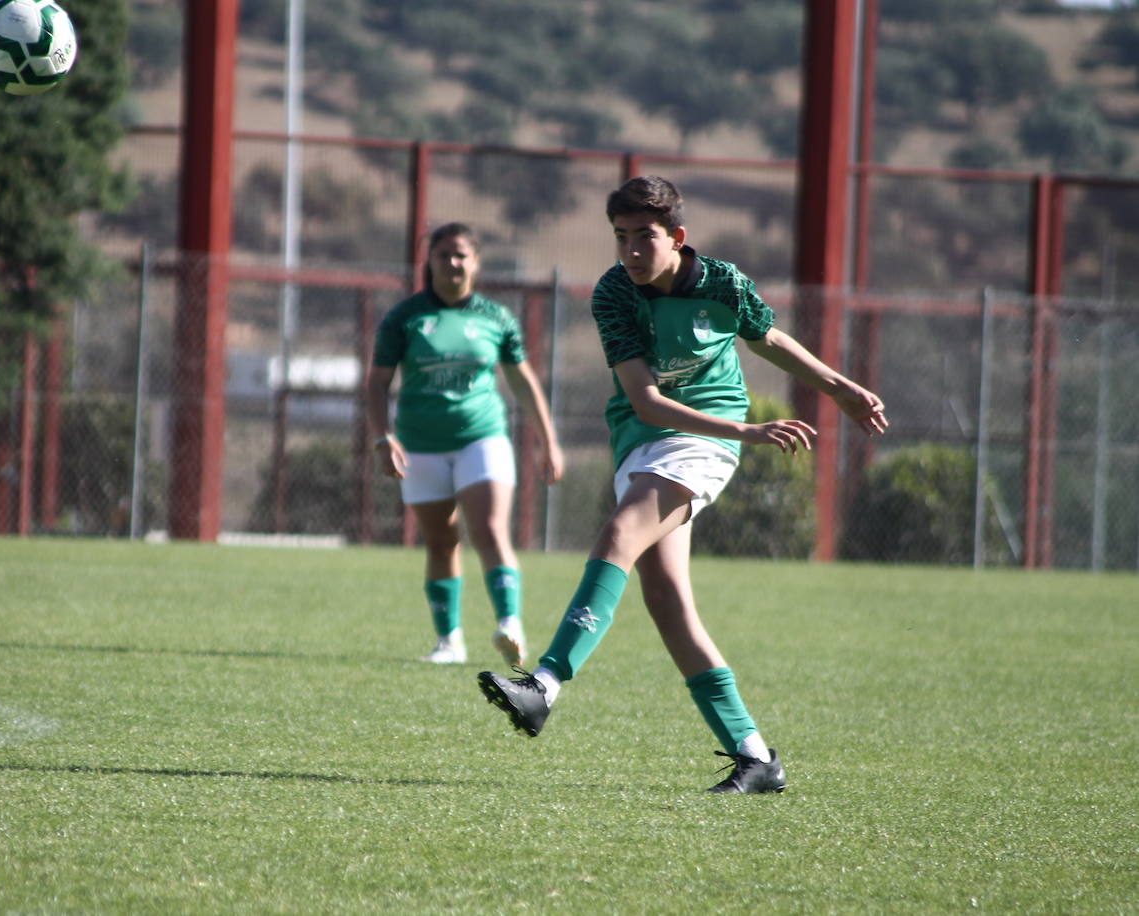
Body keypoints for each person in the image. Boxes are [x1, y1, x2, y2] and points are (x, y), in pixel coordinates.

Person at [477, 176, 888, 794]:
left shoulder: (723, 282)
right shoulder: (614, 293)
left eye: (645, 236)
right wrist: (749, 433)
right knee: (668, 602)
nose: (632, 251)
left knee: (621, 531)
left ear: (678, 238)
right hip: (644, 435)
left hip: (708, 439)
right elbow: (645, 400)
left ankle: (545, 683)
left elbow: (767, 338)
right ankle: (756, 758)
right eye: (621, 237)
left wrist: (839, 389)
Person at [367, 222, 565, 667]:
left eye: (461, 255)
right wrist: (383, 438)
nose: (453, 263)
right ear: (429, 262)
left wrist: (548, 442)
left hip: (482, 437)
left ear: (476, 262)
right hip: (420, 444)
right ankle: (449, 642)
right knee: (441, 541)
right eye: (443, 255)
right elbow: (377, 383)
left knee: (490, 528)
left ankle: (510, 624)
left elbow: (523, 382)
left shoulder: (495, 317)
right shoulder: (404, 318)